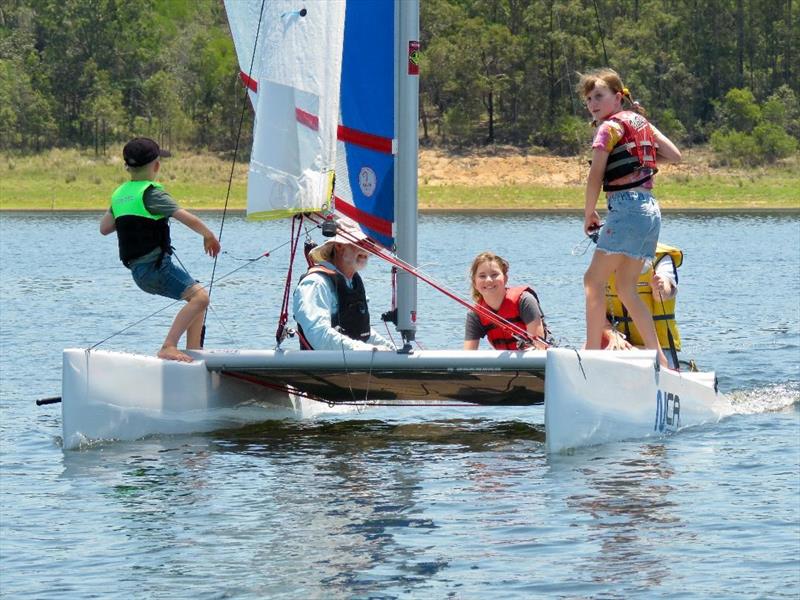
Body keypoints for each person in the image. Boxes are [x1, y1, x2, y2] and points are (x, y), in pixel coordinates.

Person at [579, 68, 682, 368]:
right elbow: (673, 154)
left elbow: (595, 174)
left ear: (618, 96)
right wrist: (643, 148)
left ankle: (591, 352)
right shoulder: (641, 124)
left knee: (592, 280)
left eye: (599, 96)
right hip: (650, 211)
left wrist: (589, 212)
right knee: (625, 287)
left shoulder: (607, 129)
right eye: (588, 99)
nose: (593, 104)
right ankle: (660, 359)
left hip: (626, 208)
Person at [100, 137, 221, 362]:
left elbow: (105, 228)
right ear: (156, 166)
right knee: (201, 299)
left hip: (139, 273)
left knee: (195, 299)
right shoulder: (152, 194)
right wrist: (209, 235)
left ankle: (193, 351)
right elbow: (187, 218)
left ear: (127, 167)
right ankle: (169, 346)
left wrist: (129, 216)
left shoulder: (119, 195)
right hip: (157, 267)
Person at [293, 218, 395, 351]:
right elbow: (318, 335)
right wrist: (364, 350)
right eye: (359, 241)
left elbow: (362, 332)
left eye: (370, 242)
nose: (366, 248)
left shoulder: (353, 283)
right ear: (339, 246)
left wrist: (393, 350)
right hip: (323, 369)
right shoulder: (316, 283)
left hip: (354, 365)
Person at [603, 243, 683, 368]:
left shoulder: (661, 258)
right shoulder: (604, 260)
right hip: (620, 345)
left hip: (661, 348)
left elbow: (666, 291)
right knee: (590, 346)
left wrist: (660, 289)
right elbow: (596, 309)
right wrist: (612, 335)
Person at [464, 251, 550, 350]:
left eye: (494, 274)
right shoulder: (475, 315)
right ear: (475, 283)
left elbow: (540, 348)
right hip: (507, 364)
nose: (488, 280)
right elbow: (468, 354)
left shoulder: (525, 301)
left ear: (505, 279)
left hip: (538, 362)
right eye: (482, 276)